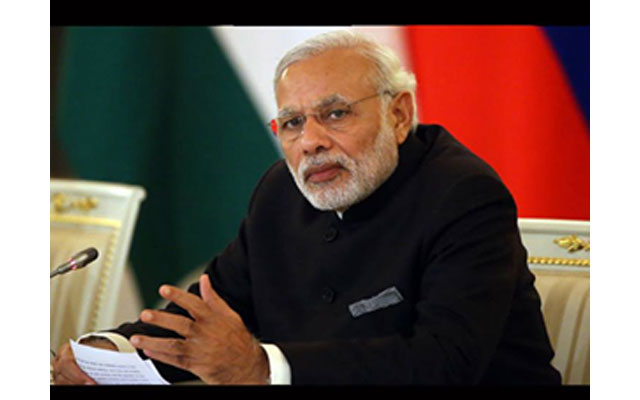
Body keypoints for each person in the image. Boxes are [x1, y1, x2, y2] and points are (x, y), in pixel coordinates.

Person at [52, 30, 561, 385]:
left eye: (335, 114)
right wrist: (109, 352)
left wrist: (262, 368)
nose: (310, 142)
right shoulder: (280, 192)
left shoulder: (464, 194)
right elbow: (209, 317)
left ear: (399, 114)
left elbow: (444, 361)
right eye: (292, 123)